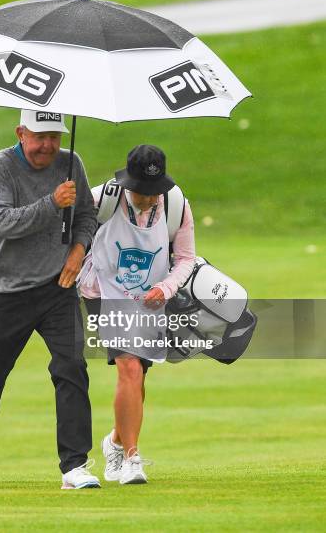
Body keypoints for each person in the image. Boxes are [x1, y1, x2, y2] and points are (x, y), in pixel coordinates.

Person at [0, 110, 100, 490]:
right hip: (8, 290)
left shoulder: (71, 162)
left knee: (71, 369)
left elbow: (86, 215)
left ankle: (74, 467)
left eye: (55, 136)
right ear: (20, 132)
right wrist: (52, 202)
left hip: (58, 286)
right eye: (40, 136)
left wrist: (79, 250)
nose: (49, 145)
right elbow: (2, 223)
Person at [79, 144, 196, 484]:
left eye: (153, 192)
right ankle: (132, 458)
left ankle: (115, 442)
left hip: (151, 298)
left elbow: (186, 258)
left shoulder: (176, 205)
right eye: (141, 192)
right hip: (103, 292)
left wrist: (167, 288)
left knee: (138, 378)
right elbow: (70, 234)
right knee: (128, 365)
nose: (148, 199)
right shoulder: (102, 198)